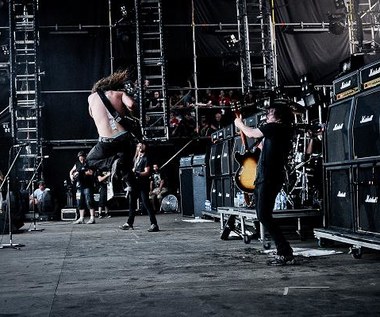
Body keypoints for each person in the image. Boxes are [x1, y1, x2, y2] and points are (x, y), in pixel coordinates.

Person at [234, 101, 295, 266]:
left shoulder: (276, 127)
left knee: (264, 215)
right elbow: (261, 144)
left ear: (279, 116)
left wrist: (240, 124)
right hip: (266, 175)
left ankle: (285, 251)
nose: (267, 115)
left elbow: (252, 133)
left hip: (270, 176)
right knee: (263, 214)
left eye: (271, 113)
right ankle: (284, 249)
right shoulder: (278, 131)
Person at [85, 69, 141, 200]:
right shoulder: (119, 94)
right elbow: (132, 105)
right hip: (123, 137)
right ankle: (129, 186)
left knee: (90, 160)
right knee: (126, 166)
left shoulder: (91, 98)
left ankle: (112, 164)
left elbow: (91, 114)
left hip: (106, 141)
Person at [120, 142, 159, 232]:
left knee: (146, 203)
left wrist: (136, 173)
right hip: (135, 183)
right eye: (138, 146)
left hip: (143, 183)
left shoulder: (146, 158)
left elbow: (147, 172)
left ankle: (154, 224)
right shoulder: (136, 158)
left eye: (141, 145)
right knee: (132, 203)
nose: (140, 147)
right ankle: (129, 223)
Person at [69, 151, 96, 224]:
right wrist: (71, 176)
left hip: (87, 185)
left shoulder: (89, 163)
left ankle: (92, 218)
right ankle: (81, 218)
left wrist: (80, 172)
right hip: (79, 186)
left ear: (85, 156)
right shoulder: (77, 164)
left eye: (82, 156)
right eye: (80, 157)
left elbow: (91, 172)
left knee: (89, 201)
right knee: (79, 202)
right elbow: (71, 171)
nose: (81, 158)